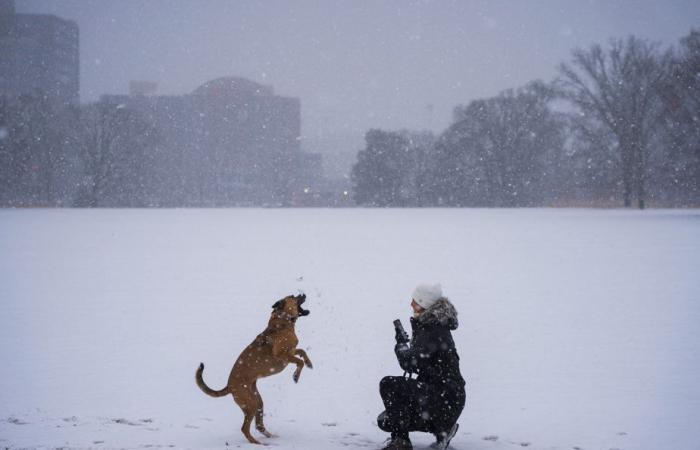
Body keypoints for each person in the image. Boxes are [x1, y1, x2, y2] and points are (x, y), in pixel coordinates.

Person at [377, 284, 466, 450]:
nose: (411, 305)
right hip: (448, 399)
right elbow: (420, 362)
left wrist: (401, 345)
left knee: (388, 384)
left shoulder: (433, 329)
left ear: (424, 304)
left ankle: (401, 442)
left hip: (444, 397)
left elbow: (410, 363)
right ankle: (444, 429)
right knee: (386, 420)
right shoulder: (433, 326)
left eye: (415, 301)